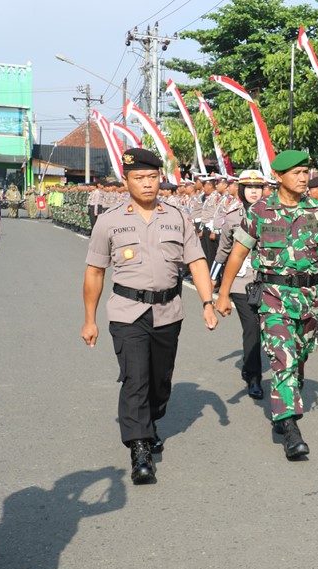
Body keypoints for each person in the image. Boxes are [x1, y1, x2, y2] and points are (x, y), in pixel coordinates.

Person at [81, 148, 219, 484]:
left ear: (160, 178)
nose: (147, 184)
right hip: (127, 312)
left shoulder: (177, 216)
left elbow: (197, 261)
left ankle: (151, 419)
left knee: (160, 382)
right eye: (139, 178)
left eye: (152, 177)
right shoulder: (109, 221)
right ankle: (139, 447)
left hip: (169, 311)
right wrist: (90, 319)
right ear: (127, 181)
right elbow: (95, 272)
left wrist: (207, 302)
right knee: (135, 379)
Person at [214, 150, 318, 460]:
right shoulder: (259, 211)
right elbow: (237, 254)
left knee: (299, 354)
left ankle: (288, 397)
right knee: (282, 358)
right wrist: (222, 293)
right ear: (278, 177)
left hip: (310, 298)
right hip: (273, 295)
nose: (303, 178)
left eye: (306, 171)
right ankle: (290, 427)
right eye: (297, 172)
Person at [213, 169, 269, 400]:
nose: (254, 192)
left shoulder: (271, 214)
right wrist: (212, 279)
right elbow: (223, 252)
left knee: (271, 330)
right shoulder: (233, 217)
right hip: (241, 281)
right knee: (252, 327)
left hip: (268, 279)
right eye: (249, 188)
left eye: (258, 187)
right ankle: (254, 377)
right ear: (242, 190)